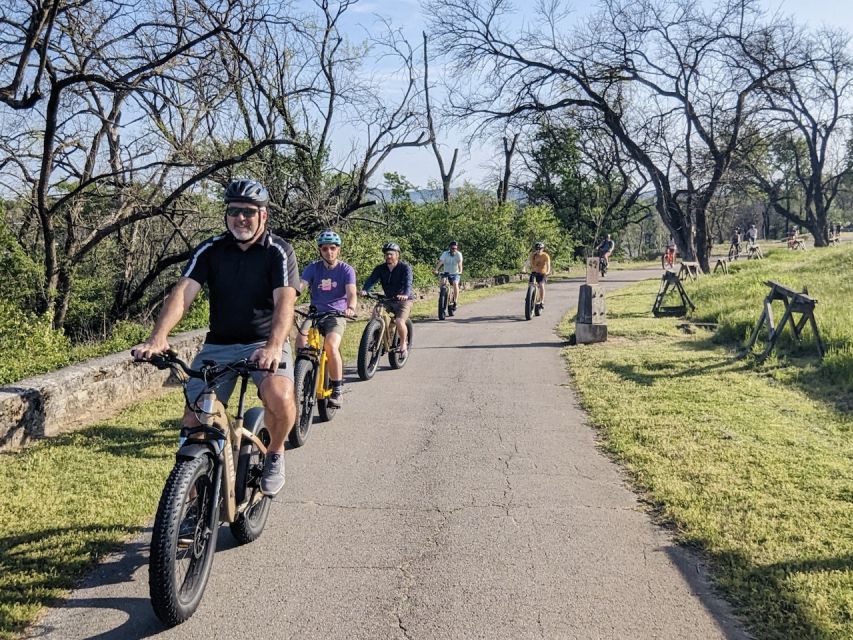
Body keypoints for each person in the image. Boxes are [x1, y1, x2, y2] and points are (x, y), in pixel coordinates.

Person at [132, 179, 299, 497]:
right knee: (195, 421)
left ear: (263, 215)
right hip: (219, 345)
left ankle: (275, 452)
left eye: (249, 211)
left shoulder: (279, 251)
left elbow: (285, 302)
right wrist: (158, 338)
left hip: (264, 342)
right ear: (226, 215)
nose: (241, 218)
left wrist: (274, 346)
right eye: (234, 211)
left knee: (280, 396)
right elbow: (183, 293)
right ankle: (189, 508)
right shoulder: (211, 249)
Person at [297, 230, 357, 408]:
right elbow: (301, 286)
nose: (329, 252)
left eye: (332, 248)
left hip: (337, 314)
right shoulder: (313, 268)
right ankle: (302, 375)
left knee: (330, 346)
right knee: (300, 339)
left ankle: (337, 390)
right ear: (320, 250)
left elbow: (351, 292)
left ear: (338, 249)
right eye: (325, 249)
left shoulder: (346, 269)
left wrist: (351, 307)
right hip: (315, 313)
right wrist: (289, 299)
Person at [361, 242, 414, 358]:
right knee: (376, 313)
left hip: (404, 300)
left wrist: (405, 294)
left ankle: (403, 343)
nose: (388, 256)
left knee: (400, 321)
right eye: (386, 254)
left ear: (397, 255)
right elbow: (371, 280)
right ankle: (374, 338)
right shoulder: (380, 268)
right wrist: (365, 290)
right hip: (388, 299)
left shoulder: (405, 268)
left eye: (391, 254)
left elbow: (408, 283)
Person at [434, 240, 464, 310]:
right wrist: (436, 269)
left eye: (455, 248)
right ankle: (442, 296)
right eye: (453, 248)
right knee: (442, 283)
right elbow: (441, 262)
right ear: (450, 248)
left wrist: (460, 271)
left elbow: (460, 263)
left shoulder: (458, 254)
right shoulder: (445, 254)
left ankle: (455, 302)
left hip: (455, 273)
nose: (454, 250)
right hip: (446, 273)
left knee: (455, 284)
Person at [525, 241, 551, 309]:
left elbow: (548, 265)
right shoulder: (533, 255)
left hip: (543, 273)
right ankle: (529, 297)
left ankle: (542, 301)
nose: (538, 250)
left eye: (540, 249)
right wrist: (524, 269)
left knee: (541, 285)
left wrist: (548, 272)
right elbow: (527, 263)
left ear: (543, 249)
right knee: (530, 285)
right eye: (537, 249)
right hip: (534, 272)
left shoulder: (545, 256)